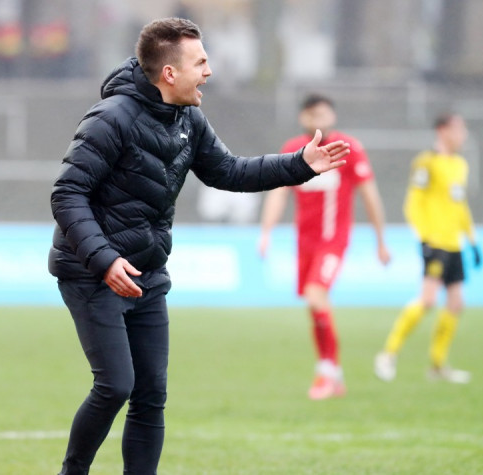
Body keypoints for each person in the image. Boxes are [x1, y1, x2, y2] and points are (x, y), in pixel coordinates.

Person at [48, 18, 350, 475]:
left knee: (151, 394)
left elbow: (229, 171)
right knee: (116, 386)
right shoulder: (110, 118)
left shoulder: (188, 118)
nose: (209, 71)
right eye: (201, 62)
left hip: (147, 273)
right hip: (92, 272)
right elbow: (67, 194)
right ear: (170, 73)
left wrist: (300, 164)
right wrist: (105, 260)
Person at [258, 94, 390, 400]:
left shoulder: (348, 148)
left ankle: (327, 373)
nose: (317, 119)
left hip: (334, 241)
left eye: (322, 113)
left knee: (317, 296)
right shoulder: (293, 150)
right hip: (304, 243)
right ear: (303, 118)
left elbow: (369, 194)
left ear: (333, 116)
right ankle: (334, 373)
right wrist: (265, 232)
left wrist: (381, 241)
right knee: (314, 304)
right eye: (311, 114)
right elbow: (279, 193)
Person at [374, 113, 481, 384]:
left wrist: (472, 240)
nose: (463, 135)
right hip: (435, 242)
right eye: (458, 130)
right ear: (442, 130)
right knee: (428, 300)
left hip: (455, 244)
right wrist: (424, 237)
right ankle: (388, 354)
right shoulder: (426, 162)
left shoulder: (460, 164)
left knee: (456, 303)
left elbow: (460, 205)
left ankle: (437, 365)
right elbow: (413, 202)